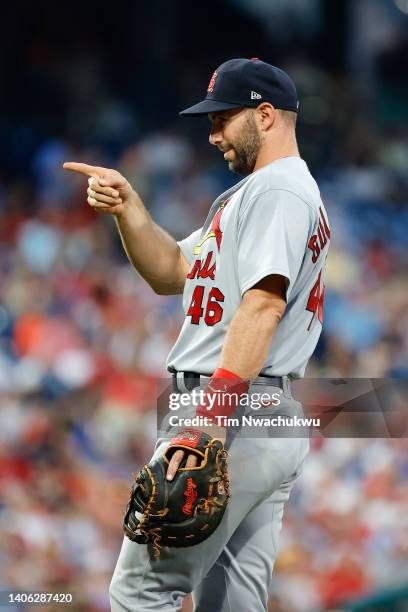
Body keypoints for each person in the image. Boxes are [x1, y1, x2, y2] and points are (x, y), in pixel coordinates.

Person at [64, 58, 330, 612]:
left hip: (232, 410)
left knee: (140, 592)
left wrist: (208, 420)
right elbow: (170, 271)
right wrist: (129, 210)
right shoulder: (257, 195)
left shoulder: (278, 191)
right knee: (232, 604)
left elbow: (262, 306)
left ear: (265, 115)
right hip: (262, 414)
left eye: (222, 119)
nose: (211, 135)